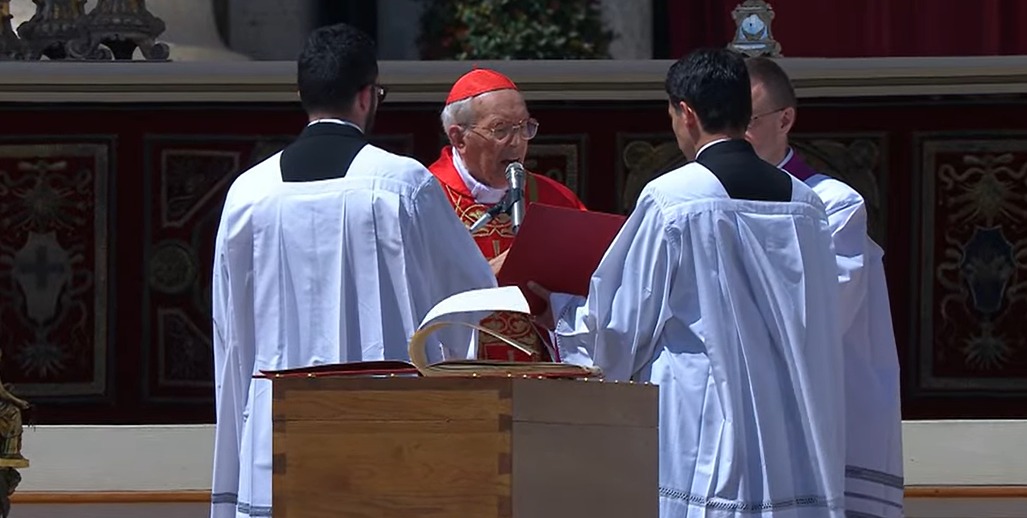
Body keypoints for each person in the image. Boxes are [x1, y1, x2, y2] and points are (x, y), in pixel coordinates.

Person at [530, 48, 846, 517]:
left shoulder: (674, 198)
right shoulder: (806, 204)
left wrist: (558, 308)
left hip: (707, 421)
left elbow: (621, 325)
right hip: (792, 423)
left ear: (687, 113)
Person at [210, 24, 496, 518]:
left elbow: (230, 332)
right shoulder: (401, 185)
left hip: (276, 434)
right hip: (388, 429)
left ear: (302, 94)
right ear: (367, 96)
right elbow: (469, 306)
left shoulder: (248, 194)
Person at [745, 56, 905, 517]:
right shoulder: (709, 198)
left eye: (749, 121)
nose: (736, 135)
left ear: (785, 119)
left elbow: (821, 313)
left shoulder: (831, 205)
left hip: (820, 417)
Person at [428, 68, 586, 362]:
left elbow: (594, 285)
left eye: (524, 127)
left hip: (541, 382)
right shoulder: (425, 199)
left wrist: (562, 307)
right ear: (458, 138)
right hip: (457, 377)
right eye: (501, 129)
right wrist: (486, 274)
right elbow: (411, 291)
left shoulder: (555, 199)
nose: (517, 142)